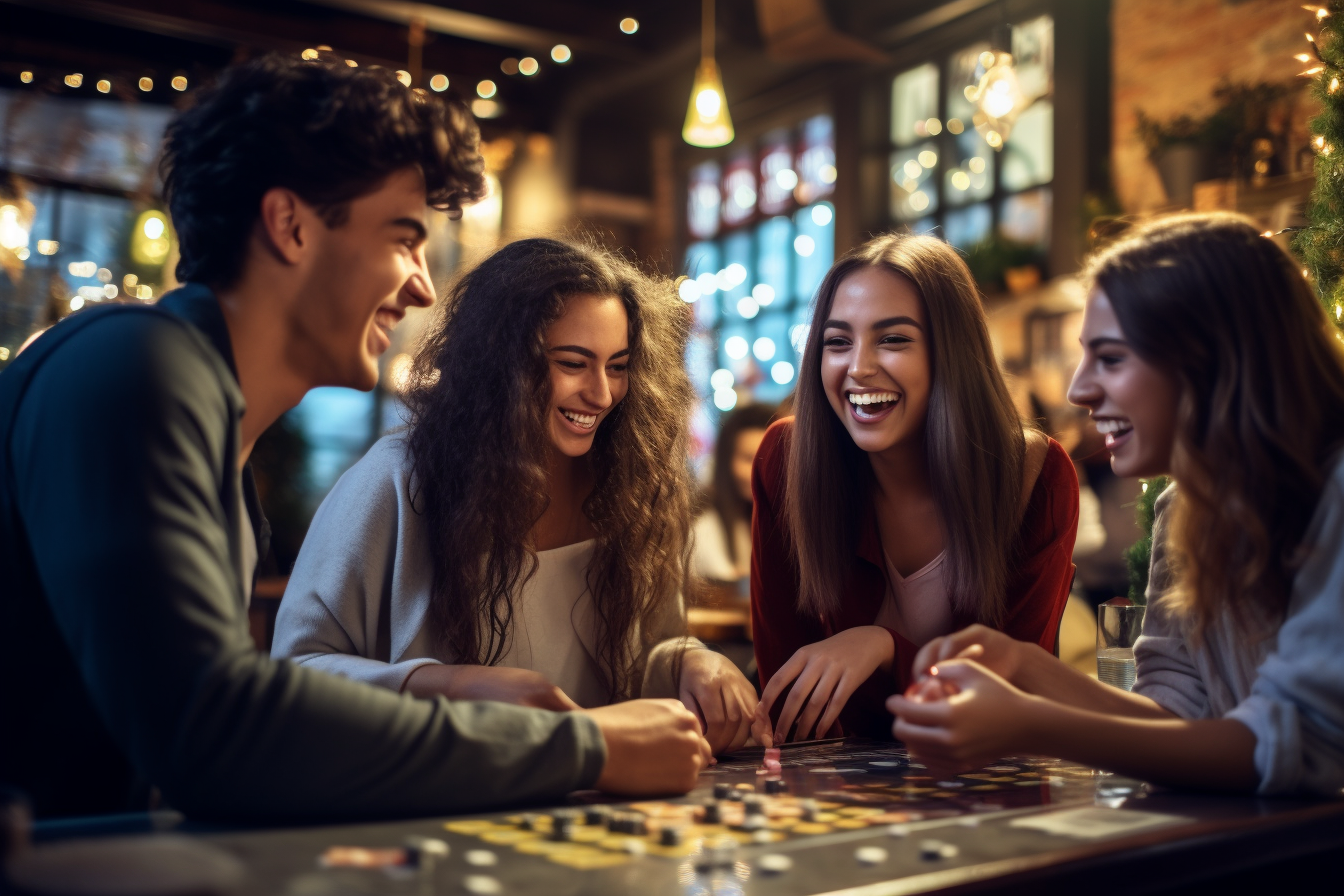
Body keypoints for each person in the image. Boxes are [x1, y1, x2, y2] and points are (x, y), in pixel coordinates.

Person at [0, 53, 709, 822]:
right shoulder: (133, 366)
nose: (423, 286)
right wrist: (586, 749)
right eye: (403, 239)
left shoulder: (199, 408)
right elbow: (217, 730)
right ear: (291, 225)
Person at [890, 213, 1344, 795]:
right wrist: (1025, 667)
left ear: (1209, 359)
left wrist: (1029, 723)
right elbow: (1180, 720)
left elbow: (1298, 746)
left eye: (1110, 358)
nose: (1079, 389)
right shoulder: (1185, 509)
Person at [272, 238, 757, 754]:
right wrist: (454, 686)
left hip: (596, 804)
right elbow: (295, 673)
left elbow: (641, 656)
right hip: (435, 805)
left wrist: (691, 660)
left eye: (618, 366)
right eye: (573, 363)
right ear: (502, 364)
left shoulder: (636, 494)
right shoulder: (399, 480)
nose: (602, 393)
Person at [751, 233, 1079, 744]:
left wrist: (883, 647)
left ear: (953, 354)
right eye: (837, 342)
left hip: (985, 793)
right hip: (833, 796)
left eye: (893, 339)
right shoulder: (787, 460)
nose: (857, 367)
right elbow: (788, 699)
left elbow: (1010, 699)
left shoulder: (1034, 475)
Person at [691, 402, 777, 585]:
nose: (759, 471)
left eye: (770, 459)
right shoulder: (703, 526)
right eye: (748, 458)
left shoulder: (779, 523)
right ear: (726, 460)